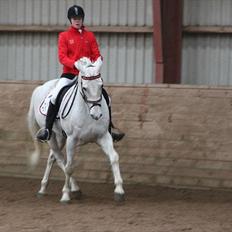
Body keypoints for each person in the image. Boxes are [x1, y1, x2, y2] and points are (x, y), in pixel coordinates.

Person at [36, 5, 125, 143]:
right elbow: (62, 57)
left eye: (79, 18)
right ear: (70, 20)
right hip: (69, 74)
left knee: (106, 97)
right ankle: (47, 129)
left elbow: (96, 54)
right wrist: (74, 64)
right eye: (74, 18)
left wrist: (98, 62)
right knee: (54, 96)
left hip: (87, 77)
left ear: (82, 19)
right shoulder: (64, 36)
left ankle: (109, 130)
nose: (77, 21)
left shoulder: (90, 36)